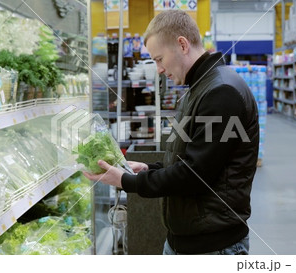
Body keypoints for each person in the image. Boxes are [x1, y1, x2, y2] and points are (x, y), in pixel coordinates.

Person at [84, 10, 259, 255]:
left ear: (182, 44)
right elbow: (191, 159)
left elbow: (194, 176)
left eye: (159, 59)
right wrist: (150, 169)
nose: (158, 69)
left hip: (211, 248)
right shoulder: (201, 87)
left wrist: (127, 181)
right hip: (189, 240)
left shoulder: (221, 93)